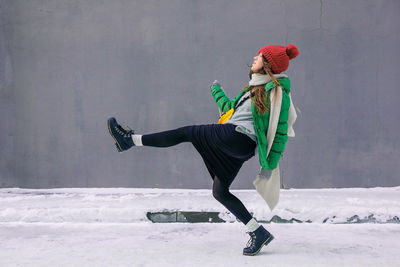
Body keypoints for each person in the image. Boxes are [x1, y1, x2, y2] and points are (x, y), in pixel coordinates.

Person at [107, 44, 299, 256]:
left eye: (260, 56)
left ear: (269, 64)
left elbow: (280, 132)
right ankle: (258, 232)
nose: (255, 57)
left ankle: (129, 140)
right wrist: (217, 92)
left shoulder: (278, 94)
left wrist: (269, 165)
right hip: (236, 144)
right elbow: (230, 110)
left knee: (188, 132)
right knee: (220, 192)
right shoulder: (253, 88)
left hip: (238, 138)